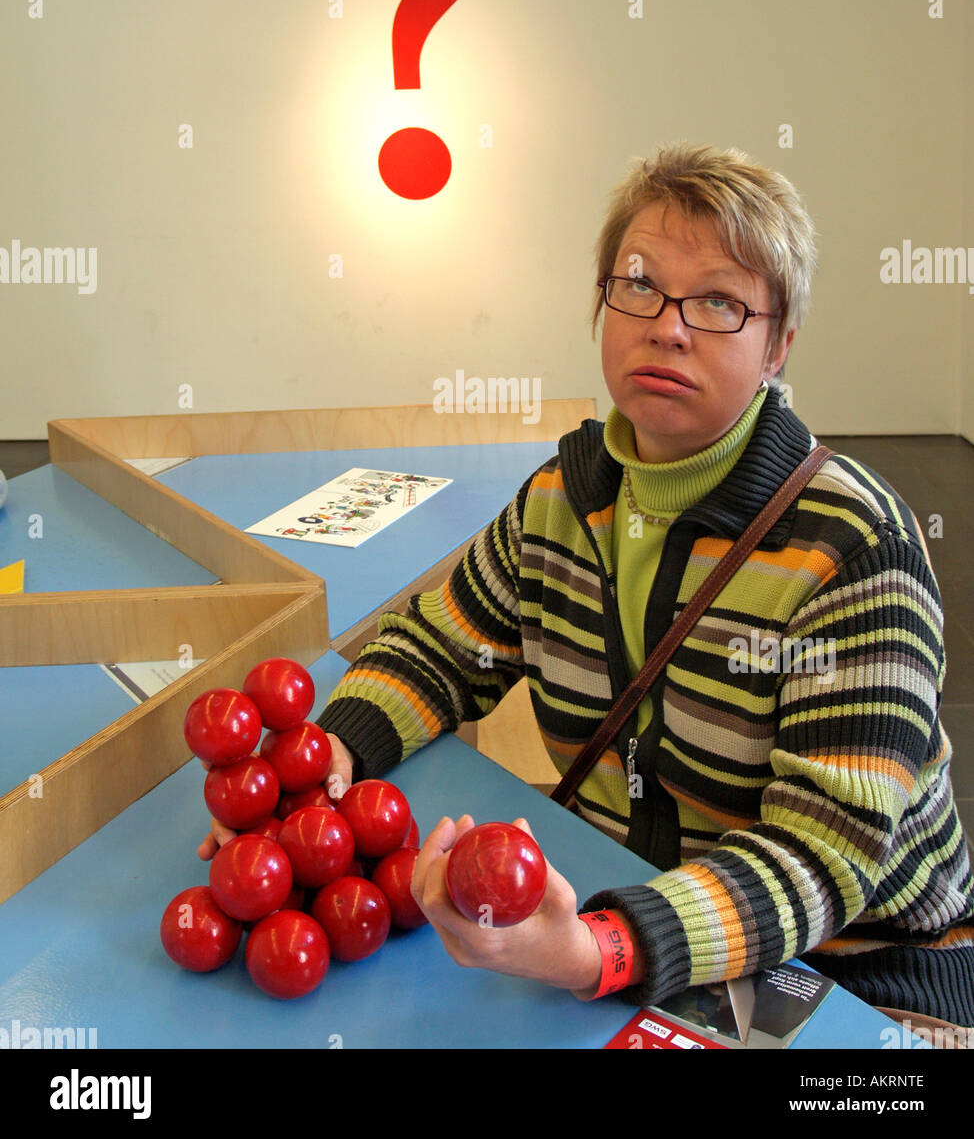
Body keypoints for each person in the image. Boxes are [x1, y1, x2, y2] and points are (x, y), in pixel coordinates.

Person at [201, 143, 974, 1032]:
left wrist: (599, 949)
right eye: (638, 286)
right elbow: (439, 648)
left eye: (719, 301)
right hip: (639, 915)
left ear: (778, 346)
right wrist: (324, 766)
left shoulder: (855, 547)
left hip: (866, 978)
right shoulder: (564, 499)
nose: (667, 325)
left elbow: (823, 858)